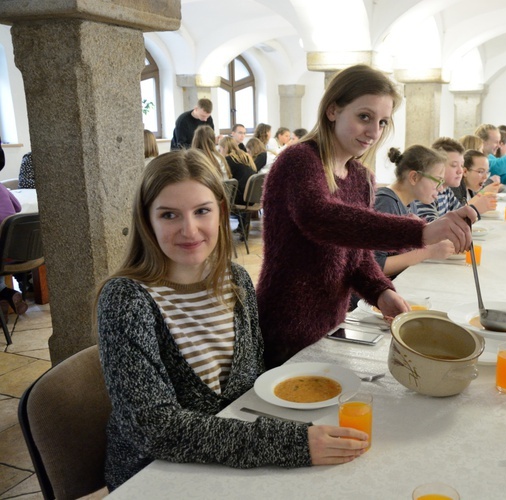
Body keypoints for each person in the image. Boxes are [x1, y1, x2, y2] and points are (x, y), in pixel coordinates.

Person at [96, 150, 369, 491]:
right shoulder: (126, 300)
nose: (189, 229)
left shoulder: (236, 280)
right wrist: (294, 443)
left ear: (221, 212)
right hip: (154, 475)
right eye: (169, 215)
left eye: (202, 211)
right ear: (146, 220)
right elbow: (155, 429)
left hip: (230, 459)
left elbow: (249, 384)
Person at [256, 64, 476, 368]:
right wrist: (421, 232)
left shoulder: (360, 177)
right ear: (333, 110)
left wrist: (380, 291)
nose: (374, 132)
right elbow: (321, 218)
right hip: (287, 325)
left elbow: (357, 257)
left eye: (383, 121)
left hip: (332, 323)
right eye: (364, 117)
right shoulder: (299, 160)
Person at [373, 145, 455, 278]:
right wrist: (428, 252)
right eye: (437, 181)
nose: (440, 189)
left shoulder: (411, 203)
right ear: (414, 177)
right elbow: (376, 266)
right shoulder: (386, 204)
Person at [412, 137, 495, 222]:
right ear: (437, 166)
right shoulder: (427, 193)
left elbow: (460, 215)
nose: (460, 171)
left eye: (462, 165)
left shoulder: (447, 191)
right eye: (454, 165)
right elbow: (434, 230)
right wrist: (475, 209)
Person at [0, 185, 26, 317]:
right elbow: (18, 208)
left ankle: (5, 293)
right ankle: (5, 296)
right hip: (17, 253)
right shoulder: (2, 188)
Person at [218, 136, 256, 205]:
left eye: (219, 150)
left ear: (224, 148)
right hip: (252, 198)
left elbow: (222, 179)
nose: (219, 153)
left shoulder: (228, 160)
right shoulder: (244, 156)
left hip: (240, 199)